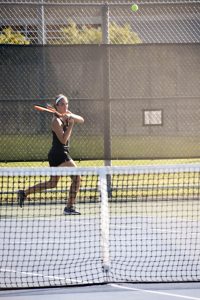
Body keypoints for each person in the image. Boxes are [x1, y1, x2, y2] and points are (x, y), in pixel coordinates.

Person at [17, 94, 84, 215]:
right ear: (56, 106)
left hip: (59, 153)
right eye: (62, 104)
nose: (65, 106)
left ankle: (24, 193)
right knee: (77, 178)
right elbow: (63, 140)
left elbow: (82, 119)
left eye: (66, 104)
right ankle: (69, 207)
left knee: (52, 183)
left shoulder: (65, 115)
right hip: (59, 154)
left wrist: (70, 115)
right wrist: (70, 125)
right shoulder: (55, 121)